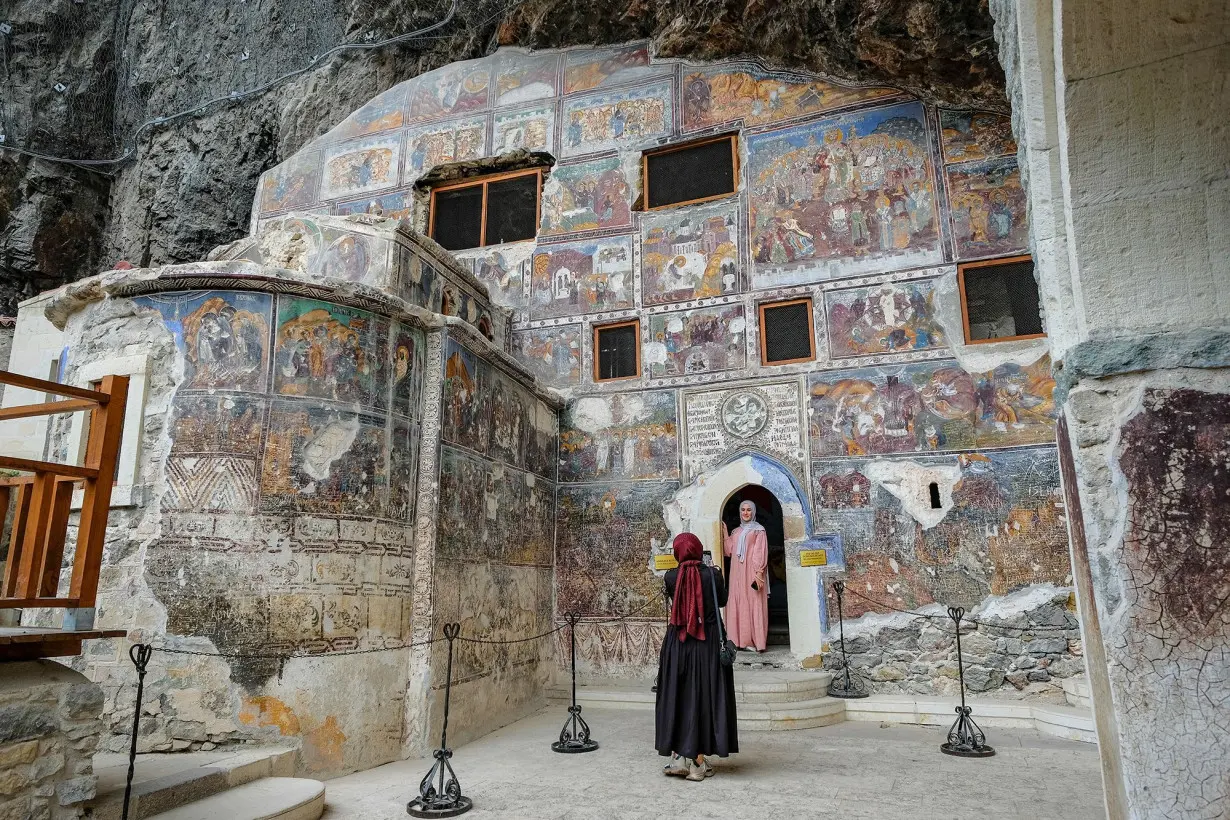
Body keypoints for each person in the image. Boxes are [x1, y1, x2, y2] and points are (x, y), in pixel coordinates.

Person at [656, 533, 739, 782]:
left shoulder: (670, 576)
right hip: (708, 643)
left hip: (678, 644)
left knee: (678, 696)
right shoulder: (713, 575)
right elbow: (722, 601)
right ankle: (698, 762)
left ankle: (680, 756)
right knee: (704, 696)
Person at [722, 500, 769, 652]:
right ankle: (738, 641)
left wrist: (759, 572)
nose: (746, 513)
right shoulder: (736, 531)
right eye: (743, 510)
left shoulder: (759, 531)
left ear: (753, 512)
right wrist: (725, 532)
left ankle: (754, 641)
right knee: (738, 601)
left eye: (749, 510)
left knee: (752, 601)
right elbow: (729, 551)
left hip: (751, 572)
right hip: (736, 574)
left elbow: (759, 552)